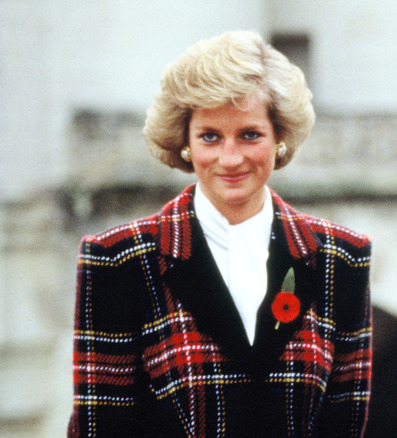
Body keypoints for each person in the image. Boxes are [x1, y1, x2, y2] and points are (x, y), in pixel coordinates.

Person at [68, 31, 372, 437]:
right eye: (210, 136)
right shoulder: (118, 260)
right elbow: (100, 429)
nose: (230, 158)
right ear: (186, 143)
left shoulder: (342, 258)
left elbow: (345, 425)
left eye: (250, 134)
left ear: (279, 138)